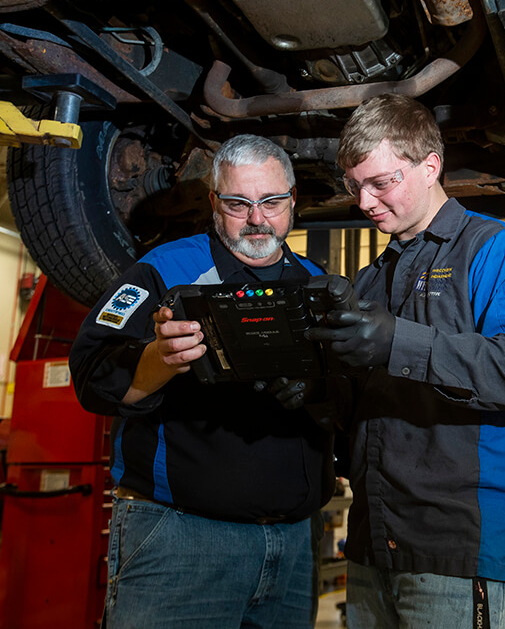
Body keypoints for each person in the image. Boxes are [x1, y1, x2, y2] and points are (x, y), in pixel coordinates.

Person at [307, 94, 505, 628]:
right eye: (356, 187)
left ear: (430, 165)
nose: (366, 202)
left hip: (459, 556)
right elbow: (367, 416)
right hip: (374, 547)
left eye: (382, 182)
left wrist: (400, 342)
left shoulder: (497, 250)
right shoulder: (372, 278)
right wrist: (314, 396)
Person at [69, 134, 336, 629]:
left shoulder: (314, 281)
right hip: (181, 544)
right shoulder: (163, 270)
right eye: (238, 203)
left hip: (294, 547)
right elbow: (90, 374)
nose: (258, 218)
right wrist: (160, 359)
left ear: (293, 199)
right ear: (214, 202)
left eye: (272, 202)